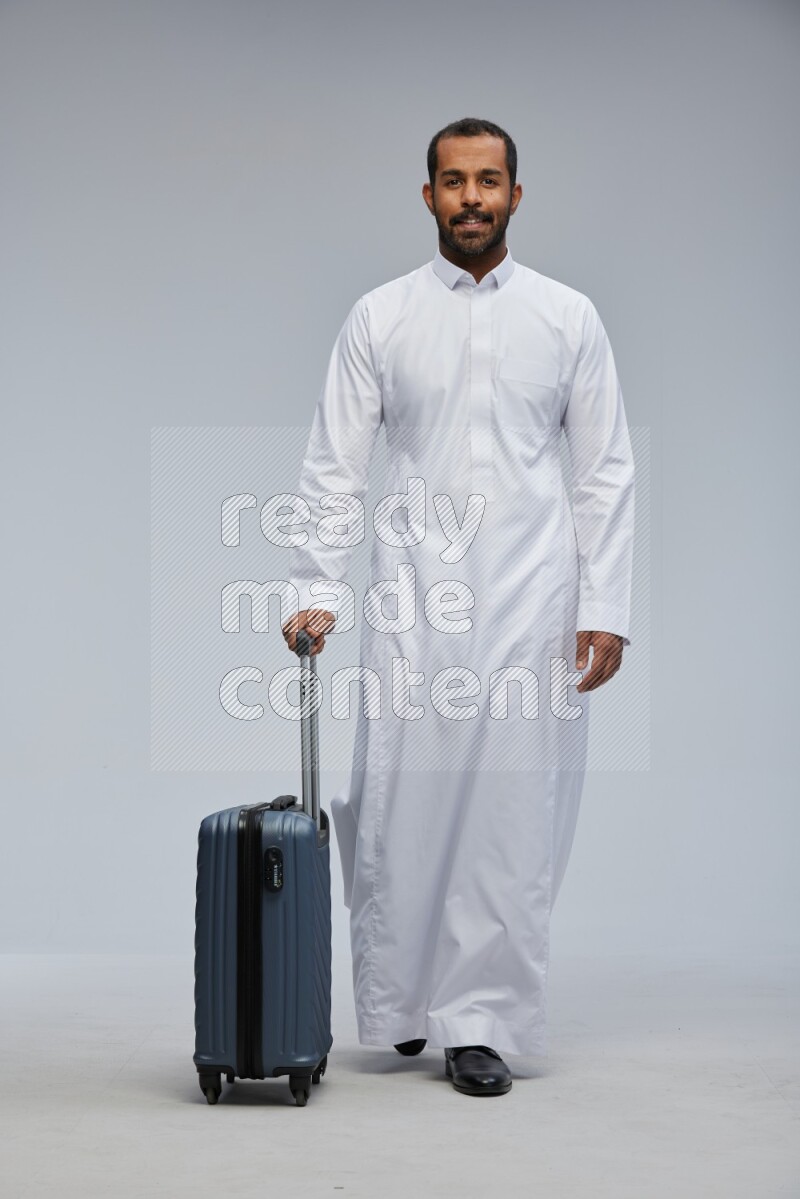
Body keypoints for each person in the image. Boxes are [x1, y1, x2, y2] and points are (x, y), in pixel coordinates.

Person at [282, 117, 635, 1096]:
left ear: (516, 195)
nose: (471, 198)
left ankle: (476, 1017)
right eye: (452, 181)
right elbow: (333, 464)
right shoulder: (380, 317)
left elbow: (603, 471)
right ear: (427, 195)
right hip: (411, 594)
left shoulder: (567, 318)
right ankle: (397, 1001)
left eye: (488, 181)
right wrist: (316, 588)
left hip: (531, 596)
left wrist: (602, 602)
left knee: (511, 810)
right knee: (398, 797)